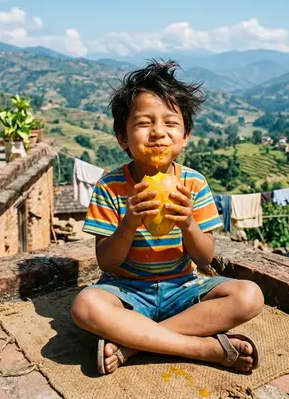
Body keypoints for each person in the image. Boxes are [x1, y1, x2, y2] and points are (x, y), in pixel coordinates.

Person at [71, 60, 264, 375]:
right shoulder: (110, 187)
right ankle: (201, 348)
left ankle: (133, 342)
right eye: (144, 123)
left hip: (182, 288)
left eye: (170, 123)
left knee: (249, 296)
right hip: (126, 291)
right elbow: (106, 263)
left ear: (185, 135)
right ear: (123, 137)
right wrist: (129, 224)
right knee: (85, 306)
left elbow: (204, 257)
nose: (158, 133)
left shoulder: (194, 184)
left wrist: (188, 224)